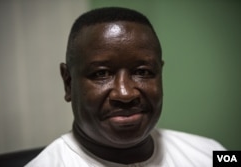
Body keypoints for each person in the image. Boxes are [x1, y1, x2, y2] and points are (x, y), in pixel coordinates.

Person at [26, 7, 225, 166]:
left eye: (143, 72)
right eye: (101, 74)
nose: (125, 93)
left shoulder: (210, 153)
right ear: (68, 83)